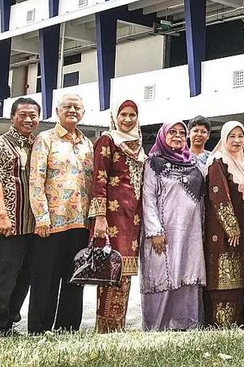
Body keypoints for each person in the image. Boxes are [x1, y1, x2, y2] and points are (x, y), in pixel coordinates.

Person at [28, 93, 94, 334]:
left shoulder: (87, 143)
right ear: (57, 111)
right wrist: (41, 217)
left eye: (77, 107)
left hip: (80, 224)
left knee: (74, 278)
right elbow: (36, 180)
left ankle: (67, 328)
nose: (72, 110)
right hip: (52, 223)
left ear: (83, 113)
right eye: (68, 106)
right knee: (46, 279)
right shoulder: (45, 139)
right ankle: (39, 329)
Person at [0, 96, 41, 337]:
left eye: (33, 115)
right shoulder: (2, 144)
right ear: (12, 117)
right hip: (9, 224)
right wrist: (2, 215)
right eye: (22, 115)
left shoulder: (37, 143)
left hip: (33, 224)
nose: (28, 119)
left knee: (25, 275)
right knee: (3, 275)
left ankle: (9, 322)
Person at [140, 122, 207, 331]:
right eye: (172, 132)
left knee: (188, 271)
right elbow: (148, 198)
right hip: (164, 229)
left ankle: (187, 324)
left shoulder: (195, 163)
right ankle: (158, 325)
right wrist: (154, 230)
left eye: (181, 133)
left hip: (191, 230)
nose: (178, 136)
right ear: (162, 135)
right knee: (163, 273)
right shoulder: (153, 163)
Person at [90, 100, 147, 333]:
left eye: (132, 115)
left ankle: (118, 324)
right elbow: (99, 180)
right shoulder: (108, 140)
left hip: (133, 218)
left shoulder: (139, 144)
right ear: (115, 116)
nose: (128, 119)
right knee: (111, 270)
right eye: (123, 114)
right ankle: (105, 326)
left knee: (126, 272)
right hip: (112, 217)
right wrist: (100, 217)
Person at [204, 121, 244, 327]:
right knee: (224, 279)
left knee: (241, 278)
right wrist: (230, 226)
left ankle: (241, 321)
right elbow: (218, 195)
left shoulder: (242, 164)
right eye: (231, 136)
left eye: (240, 136)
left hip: (242, 231)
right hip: (224, 232)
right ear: (223, 139)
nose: (237, 140)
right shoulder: (218, 161)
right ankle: (221, 324)